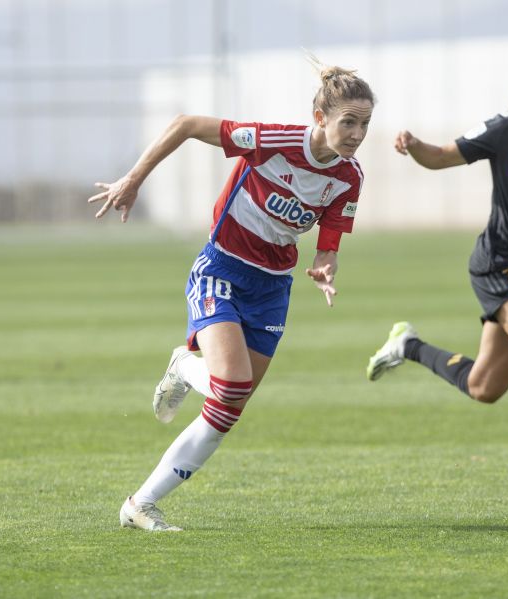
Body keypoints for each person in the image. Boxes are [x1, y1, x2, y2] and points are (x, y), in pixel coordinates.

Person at [88, 61, 375, 531]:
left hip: (273, 288)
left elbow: (330, 242)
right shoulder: (274, 141)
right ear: (320, 117)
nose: (357, 133)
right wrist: (133, 179)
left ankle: (140, 503)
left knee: (228, 409)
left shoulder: (349, 177)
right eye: (349, 121)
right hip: (221, 267)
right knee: (233, 386)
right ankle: (182, 365)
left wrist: (326, 265)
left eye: (364, 124)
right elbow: (184, 126)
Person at [366, 52, 508, 487]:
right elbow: (440, 156)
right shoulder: (505, 129)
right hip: (497, 262)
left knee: (484, 387)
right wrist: (414, 146)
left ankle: (408, 345)